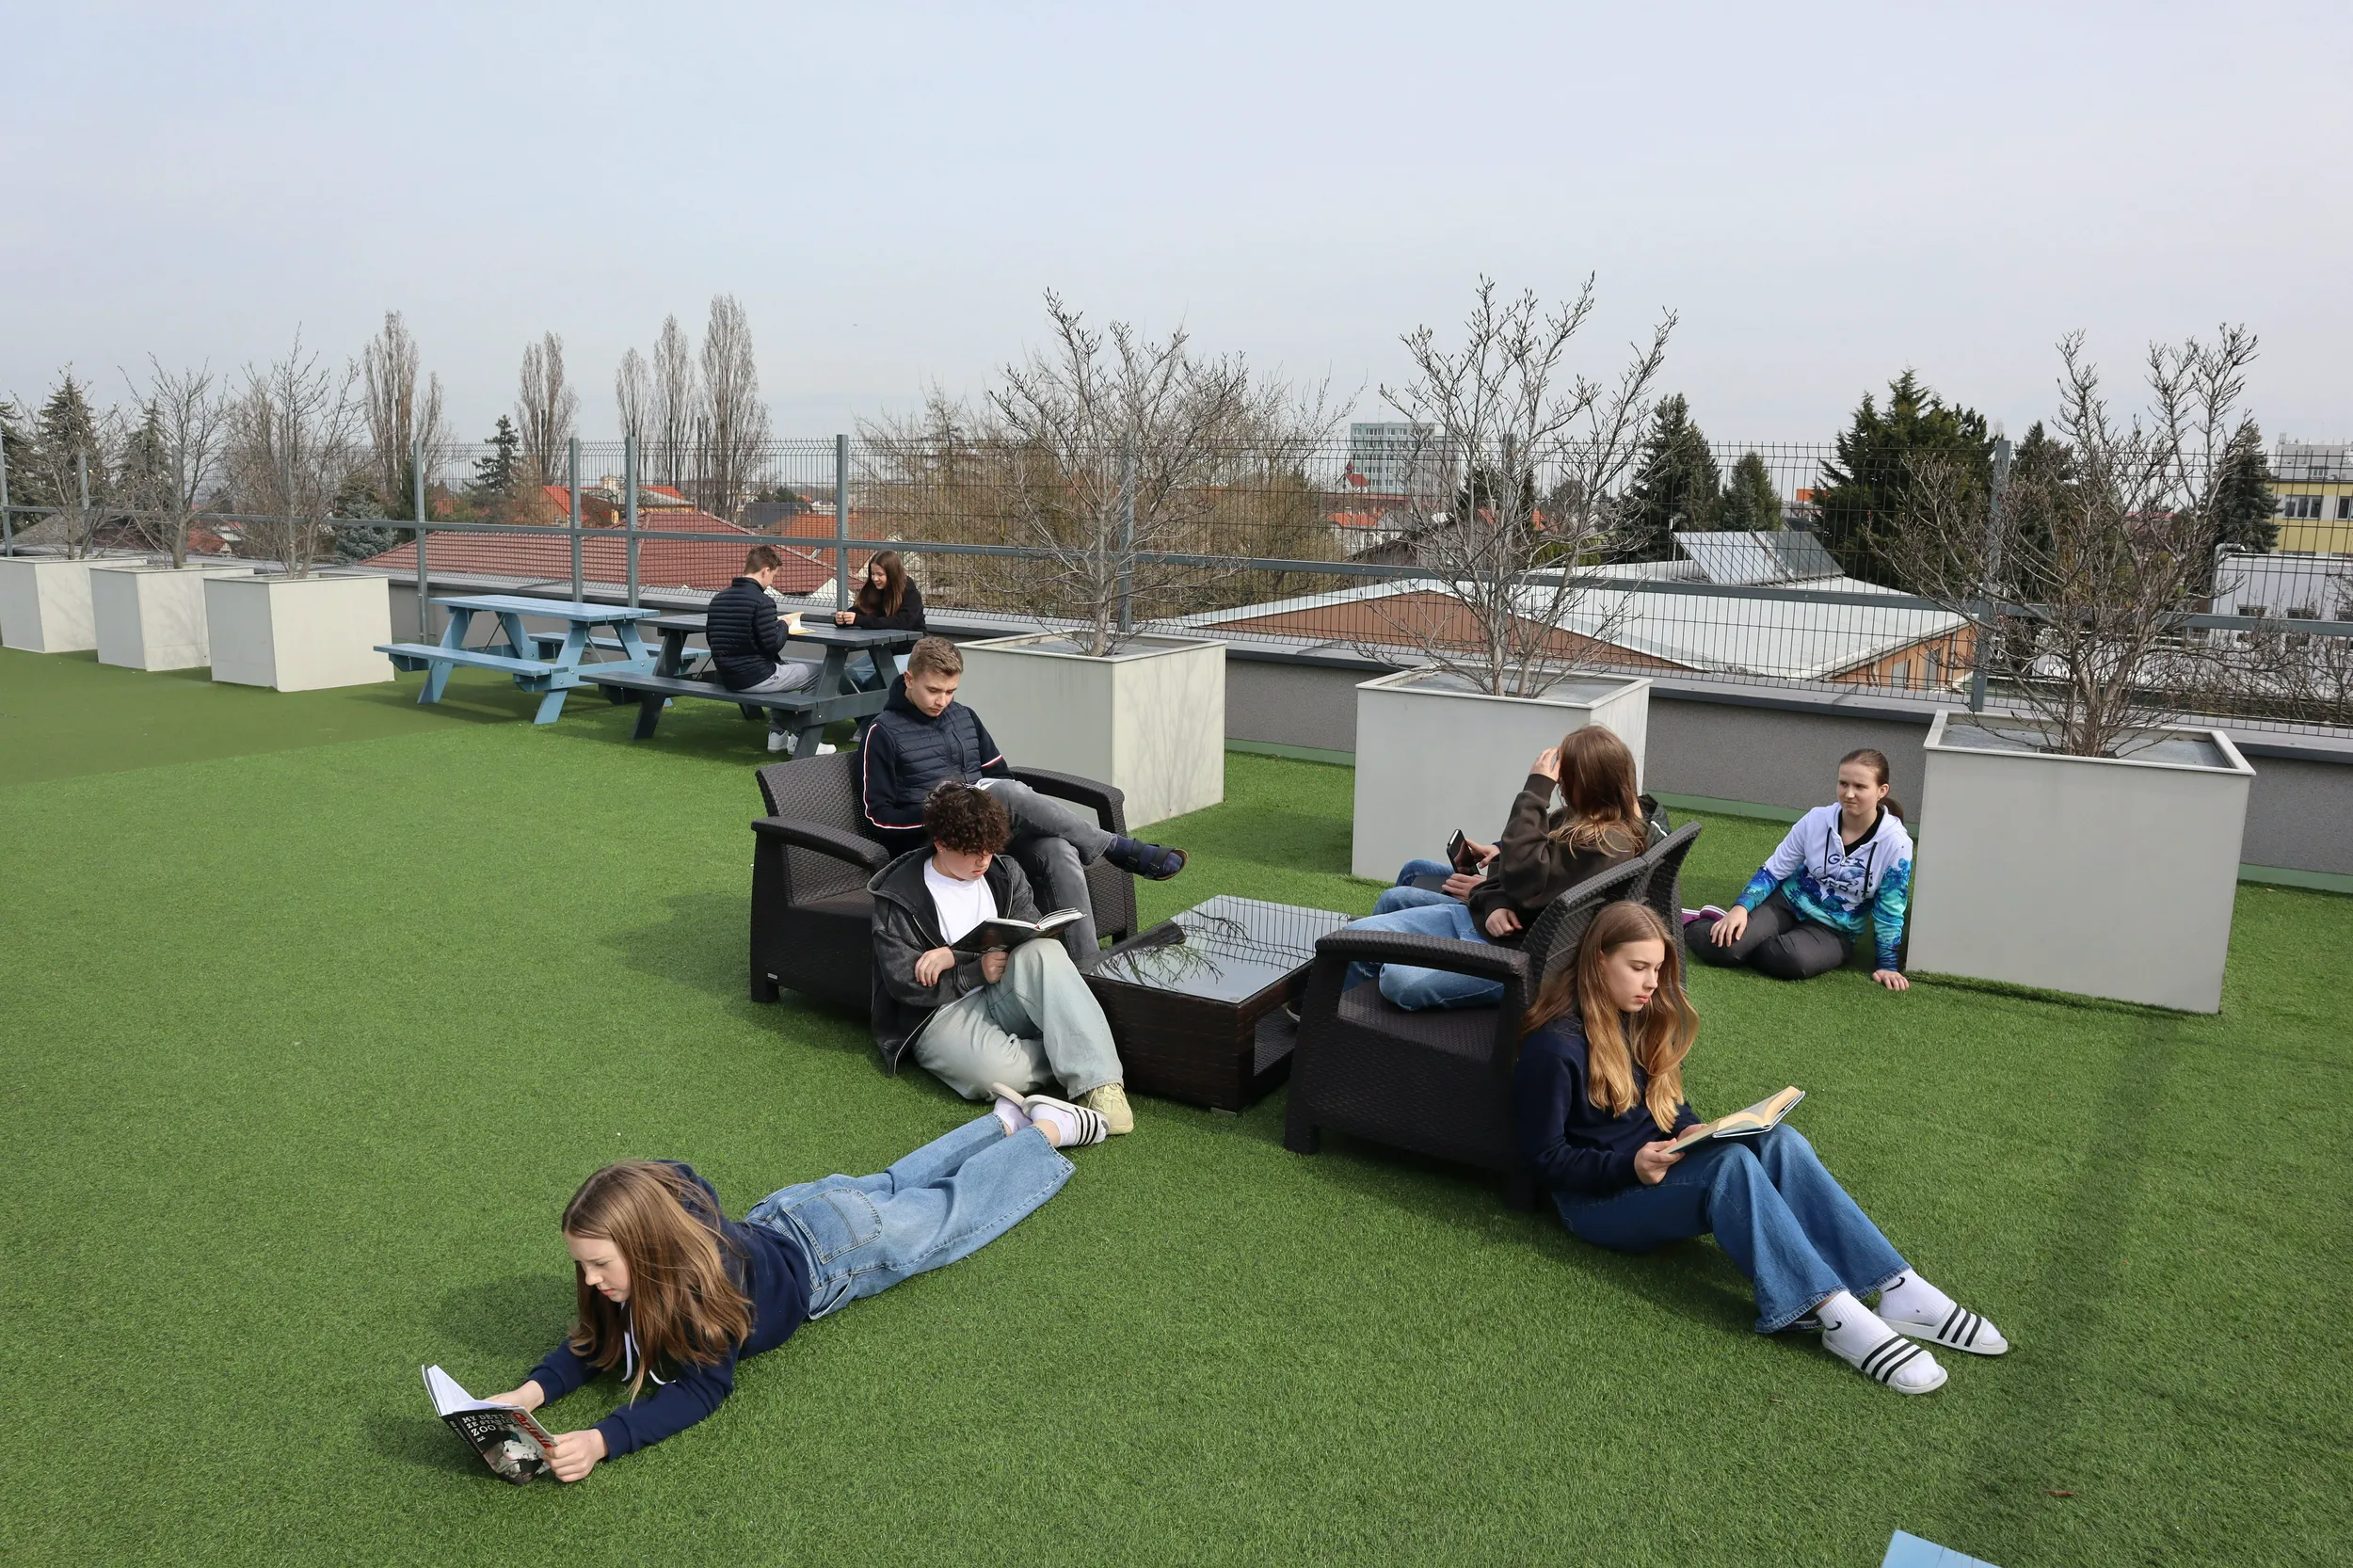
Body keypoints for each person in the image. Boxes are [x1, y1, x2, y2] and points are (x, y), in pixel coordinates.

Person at [1514, 901, 2009, 1396]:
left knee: (1780, 1141)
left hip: (1658, 1167)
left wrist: (1691, 1128)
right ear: (1598, 961)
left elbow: (1666, 1103)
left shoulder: (1640, 1015)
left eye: (1658, 969)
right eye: (1638, 968)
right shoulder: (1554, 1046)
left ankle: (1898, 1287)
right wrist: (1629, 1166)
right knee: (1729, 1167)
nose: (1651, 983)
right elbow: (1542, 1158)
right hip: (1596, 1202)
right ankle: (1834, 1314)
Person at [472, 1097, 1108, 1480]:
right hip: (792, 1209)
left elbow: (703, 1389)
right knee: (897, 1182)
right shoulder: (665, 1244)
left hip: (835, 1254)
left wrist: (603, 1440)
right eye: (581, 1264)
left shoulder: (700, 1290)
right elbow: (594, 1343)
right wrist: (526, 1395)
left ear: (645, 1244)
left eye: (599, 1264)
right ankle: (999, 1123)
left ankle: (1046, 1132)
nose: (589, 1279)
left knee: (951, 1214)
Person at [860, 635, 1186, 967]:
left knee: (1057, 849)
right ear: (909, 679)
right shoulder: (882, 732)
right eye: (933, 690)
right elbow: (878, 817)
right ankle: (1115, 847)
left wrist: (983, 806)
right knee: (1006, 793)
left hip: (989, 837)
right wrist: (950, 813)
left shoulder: (965, 717)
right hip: (939, 843)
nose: (942, 701)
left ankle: (1089, 968)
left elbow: (999, 774)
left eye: (950, 691)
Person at [869, 781, 1134, 1132]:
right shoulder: (899, 896)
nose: (983, 860)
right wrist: (971, 971)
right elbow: (904, 984)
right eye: (971, 851)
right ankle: (1077, 1045)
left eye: (989, 849)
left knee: (1044, 950)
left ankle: (1101, 1087)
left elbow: (1026, 933)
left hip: (1004, 990)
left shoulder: (1004, 872)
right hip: (941, 1012)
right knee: (995, 1075)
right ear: (942, 843)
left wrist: (955, 955)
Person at [1340, 725, 1653, 1011]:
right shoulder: (1580, 819)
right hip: (1490, 923)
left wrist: (1536, 789)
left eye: (1565, 773)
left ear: (1588, 781)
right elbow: (1526, 877)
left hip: (1513, 953)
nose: (1559, 781)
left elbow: (1524, 881)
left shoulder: (1604, 846)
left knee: (1396, 977)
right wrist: (1496, 886)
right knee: (1362, 933)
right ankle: (1338, 1016)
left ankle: (1351, 1021)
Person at [1690, 748, 1913, 989]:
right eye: (1843, 784)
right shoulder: (1816, 820)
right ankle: (1692, 922)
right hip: (1786, 904)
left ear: (1882, 791)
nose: (1849, 794)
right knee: (1724, 948)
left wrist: (1887, 965)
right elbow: (1774, 869)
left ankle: (1748, 943)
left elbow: (1890, 909)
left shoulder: (1896, 843)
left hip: (1835, 929)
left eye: (1860, 787)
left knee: (1792, 962)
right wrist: (1740, 908)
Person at [708, 544, 832, 758]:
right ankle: (802, 739)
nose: (772, 581)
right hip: (754, 678)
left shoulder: (718, 599)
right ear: (765, 570)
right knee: (820, 672)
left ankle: (777, 735)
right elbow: (773, 644)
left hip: (727, 677)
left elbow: (712, 639)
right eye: (773, 575)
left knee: (780, 667)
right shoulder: (763, 602)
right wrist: (783, 624)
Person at [836, 551, 926, 691]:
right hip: (883, 650)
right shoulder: (873, 588)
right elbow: (860, 610)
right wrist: (843, 618)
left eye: (880, 574)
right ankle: (864, 706)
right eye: (872, 574)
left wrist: (860, 620)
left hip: (910, 651)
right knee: (848, 679)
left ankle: (879, 706)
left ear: (892, 574)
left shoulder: (908, 591)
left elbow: (903, 623)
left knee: (878, 682)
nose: (875, 578)